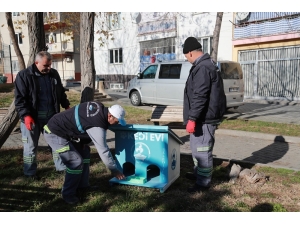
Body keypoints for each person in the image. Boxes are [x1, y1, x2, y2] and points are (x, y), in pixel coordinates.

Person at [43, 102, 126, 204]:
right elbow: (103, 151)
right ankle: (68, 194)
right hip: (54, 133)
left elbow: (82, 121)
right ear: (110, 116)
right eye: (117, 121)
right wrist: (114, 170)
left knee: (85, 152)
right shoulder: (97, 125)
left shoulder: (98, 107)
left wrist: (82, 141)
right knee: (75, 162)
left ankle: (83, 185)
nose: (116, 124)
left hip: (64, 130)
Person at [14, 51, 70, 179]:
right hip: (32, 119)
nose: (49, 68)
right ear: (36, 63)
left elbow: (60, 92)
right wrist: (26, 115)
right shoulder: (24, 76)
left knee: (57, 144)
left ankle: (61, 168)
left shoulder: (53, 74)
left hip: (51, 118)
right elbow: (20, 99)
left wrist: (66, 105)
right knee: (30, 147)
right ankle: (29, 173)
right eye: (46, 66)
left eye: (50, 65)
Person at [182, 37, 226, 193]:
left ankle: (203, 183)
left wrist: (192, 119)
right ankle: (198, 174)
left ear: (190, 53)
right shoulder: (205, 65)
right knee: (196, 149)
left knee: (202, 150)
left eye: (186, 56)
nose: (187, 59)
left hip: (204, 118)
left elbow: (200, 95)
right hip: (202, 117)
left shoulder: (203, 67)